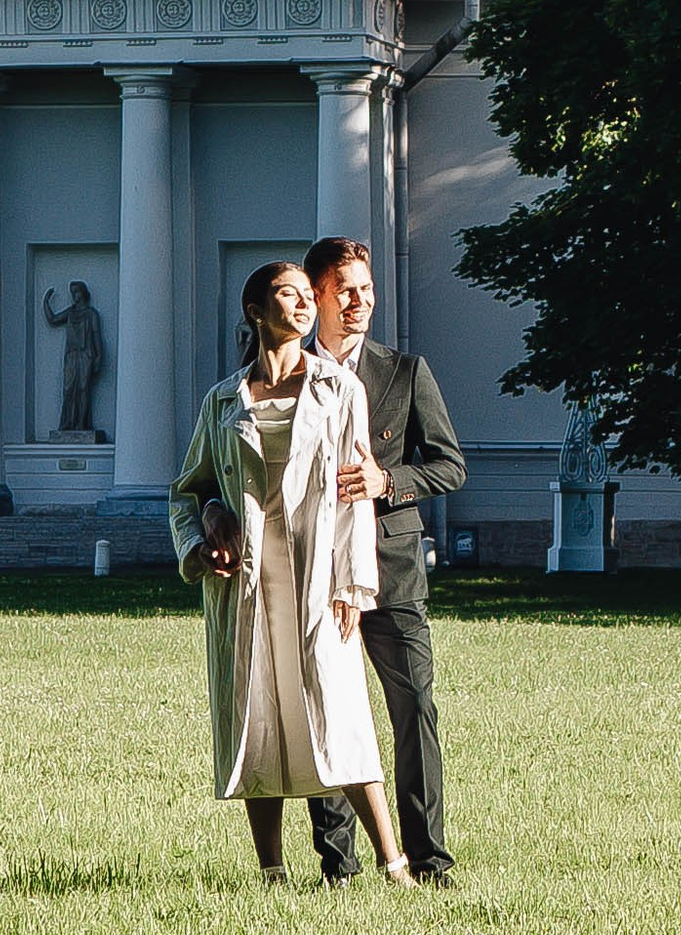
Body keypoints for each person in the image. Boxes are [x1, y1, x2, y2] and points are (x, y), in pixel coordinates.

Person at [170, 259, 413, 884]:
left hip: (319, 577)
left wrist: (354, 585)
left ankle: (394, 863)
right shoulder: (222, 399)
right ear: (257, 311)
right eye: (290, 295)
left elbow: (357, 491)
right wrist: (204, 536)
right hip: (247, 578)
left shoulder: (339, 390)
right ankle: (271, 870)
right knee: (257, 713)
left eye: (309, 296)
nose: (306, 305)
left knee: (339, 714)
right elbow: (188, 491)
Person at [302, 237, 466, 887]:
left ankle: (429, 863)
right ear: (318, 293)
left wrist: (387, 480)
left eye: (367, 290)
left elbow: (451, 467)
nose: (361, 301)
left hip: (393, 573)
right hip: (318, 576)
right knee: (328, 716)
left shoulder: (404, 372)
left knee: (415, 708)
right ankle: (337, 868)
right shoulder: (287, 379)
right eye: (347, 289)